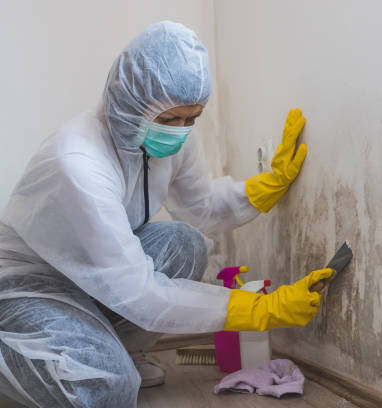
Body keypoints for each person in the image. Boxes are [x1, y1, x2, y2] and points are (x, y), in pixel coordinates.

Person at [0, 21, 333, 407]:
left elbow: (202, 206)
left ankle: (114, 349)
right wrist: (260, 308)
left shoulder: (168, 139)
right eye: (170, 119)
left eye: (192, 118)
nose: (181, 131)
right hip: (32, 284)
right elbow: (139, 294)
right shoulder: (78, 162)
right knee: (108, 386)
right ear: (127, 100)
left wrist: (266, 186)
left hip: (92, 278)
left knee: (185, 243)